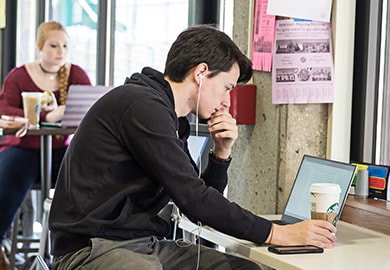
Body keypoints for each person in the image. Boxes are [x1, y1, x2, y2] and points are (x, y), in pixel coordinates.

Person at [49, 25, 336, 270]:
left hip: (141, 246)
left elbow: (196, 207)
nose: (227, 101)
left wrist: (221, 153)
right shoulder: (142, 107)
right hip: (90, 250)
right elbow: (193, 198)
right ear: (201, 72)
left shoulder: (170, 117)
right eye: (226, 88)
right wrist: (277, 234)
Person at [0, 21, 91, 270]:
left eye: (64, 45)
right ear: (40, 46)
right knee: (8, 178)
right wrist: (44, 116)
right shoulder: (19, 75)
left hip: (61, 151)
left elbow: (90, 107)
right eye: (53, 45)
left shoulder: (76, 74)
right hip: (23, 148)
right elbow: (4, 109)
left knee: (89, 178)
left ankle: (78, 247)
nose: (60, 51)